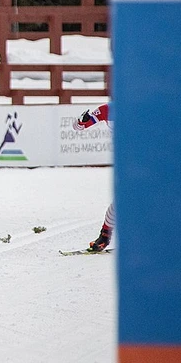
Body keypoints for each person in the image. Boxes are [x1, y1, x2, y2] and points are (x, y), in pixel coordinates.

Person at [73, 103, 114, 252]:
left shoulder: (142, 105)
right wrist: (81, 120)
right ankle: (104, 236)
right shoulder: (107, 109)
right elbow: (79, 128)